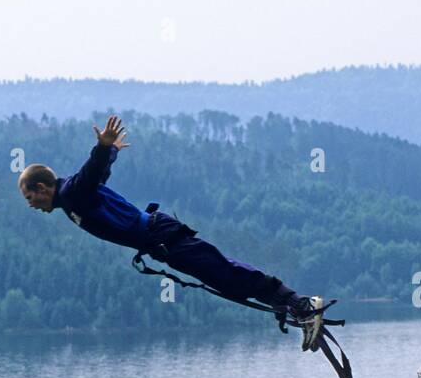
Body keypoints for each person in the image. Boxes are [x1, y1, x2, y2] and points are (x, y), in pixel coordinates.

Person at [18, 115, 330, 351]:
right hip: (159, 240)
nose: (30, 205)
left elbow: (91, 173)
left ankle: (302, 305)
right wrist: (111, 151)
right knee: (224, 278)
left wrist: (102, 149)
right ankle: (296, 307)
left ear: (42, 188)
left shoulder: (71, 192)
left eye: (29, 197)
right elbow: (99, 176)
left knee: (226, 273)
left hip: (161, 235)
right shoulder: (72, 197)